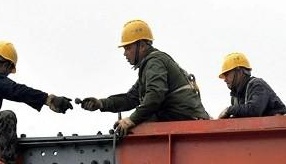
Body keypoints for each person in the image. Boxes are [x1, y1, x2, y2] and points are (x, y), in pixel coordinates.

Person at [79, 19, 210, 137]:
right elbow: (131, 98)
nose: (125, 53)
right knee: (143, 118)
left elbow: (155, 96)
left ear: (141, 46)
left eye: (128, 48)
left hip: (187, 123)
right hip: (183, 122)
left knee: (141, 122)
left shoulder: (154, 62)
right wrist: (101, 103)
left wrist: (131, 120)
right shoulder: (150, 66)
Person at [218, 52, 286, 119]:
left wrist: (229, 110)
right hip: (262, 128)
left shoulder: (257, 85)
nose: (225, 79)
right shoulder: (235, 97)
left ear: (239, 72)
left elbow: (254, 110)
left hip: (279, 127)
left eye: (227, 75)